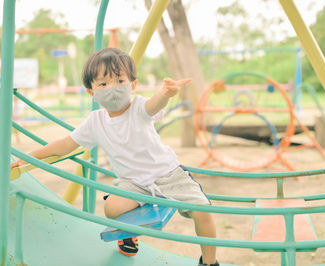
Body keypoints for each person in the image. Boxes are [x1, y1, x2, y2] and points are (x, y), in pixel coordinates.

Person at [11, 47, 218, 266]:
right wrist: (28, 158)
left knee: (203, 211)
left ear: (133, 85)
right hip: (134, 183)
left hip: (167, 174)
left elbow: (154, 104)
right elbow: (64, 145)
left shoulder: (138, 107)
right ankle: (129, 234)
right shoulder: (95, 121)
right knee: (112, 208)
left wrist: (166, 94)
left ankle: (209, 262)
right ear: (92, 92)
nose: (113, 88)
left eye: (120, 81)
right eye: (103, 84)